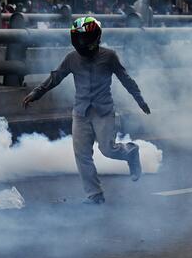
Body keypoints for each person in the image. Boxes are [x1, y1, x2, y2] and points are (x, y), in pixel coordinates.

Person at [22, 16, 151, 204]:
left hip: (103, 112)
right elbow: (55, 77)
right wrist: (36, 93)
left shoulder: (109, 56)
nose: (82, 42)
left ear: (96, 37)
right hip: (81, 112)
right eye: (79, 38)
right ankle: (95, 194)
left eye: (85, 38)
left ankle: (130, 151)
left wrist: (139, 99)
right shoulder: (71, 58)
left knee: (108, 150)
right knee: (81, 154)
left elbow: (126, 79)